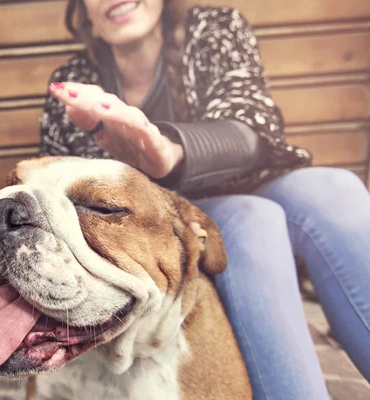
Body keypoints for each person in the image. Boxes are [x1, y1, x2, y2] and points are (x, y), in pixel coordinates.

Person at [37, 0, 370, 398]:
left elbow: (250, 123)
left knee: (333, 189)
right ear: (83, 13)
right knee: (252, 219)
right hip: (175, 226)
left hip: (250, 180)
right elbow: (67, 201)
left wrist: (169, 152)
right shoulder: (73, 82)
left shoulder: (212, 28)